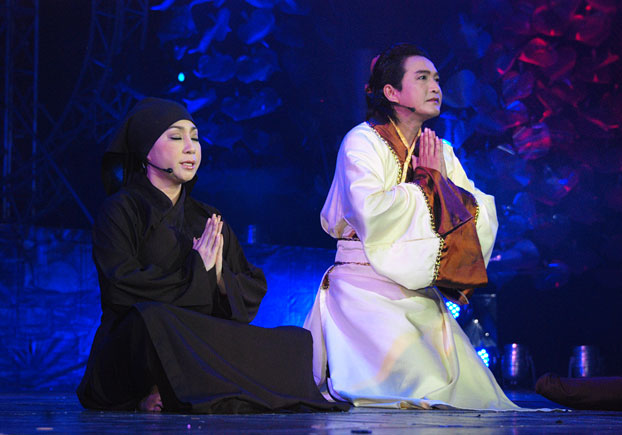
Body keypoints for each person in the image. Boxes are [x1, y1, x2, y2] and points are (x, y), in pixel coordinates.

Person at [77, 97, 348, 414]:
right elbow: (120, 288)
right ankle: (155, 388)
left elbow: (249, 290)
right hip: (137, 339)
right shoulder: (120, 211)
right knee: (152, 319)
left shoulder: (206, 218)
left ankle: (184, 389)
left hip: (193, 335)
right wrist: (196, 271)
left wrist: (218, 278)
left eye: (194, 137)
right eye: (176, 137)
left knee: (292, 341)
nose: (190, 148)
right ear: (146, 151)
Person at [303, 44, 519, 410]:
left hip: (418, 290)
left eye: (436, 78)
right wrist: (429, 184)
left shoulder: (440, 150)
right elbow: (372, 212)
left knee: (470, 395)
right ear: (391, 92)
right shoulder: (361, 141)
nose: (435, 87)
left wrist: (438, 183)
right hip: (364, 287)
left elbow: (477, 211)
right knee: (410, 383)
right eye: (422, 78)